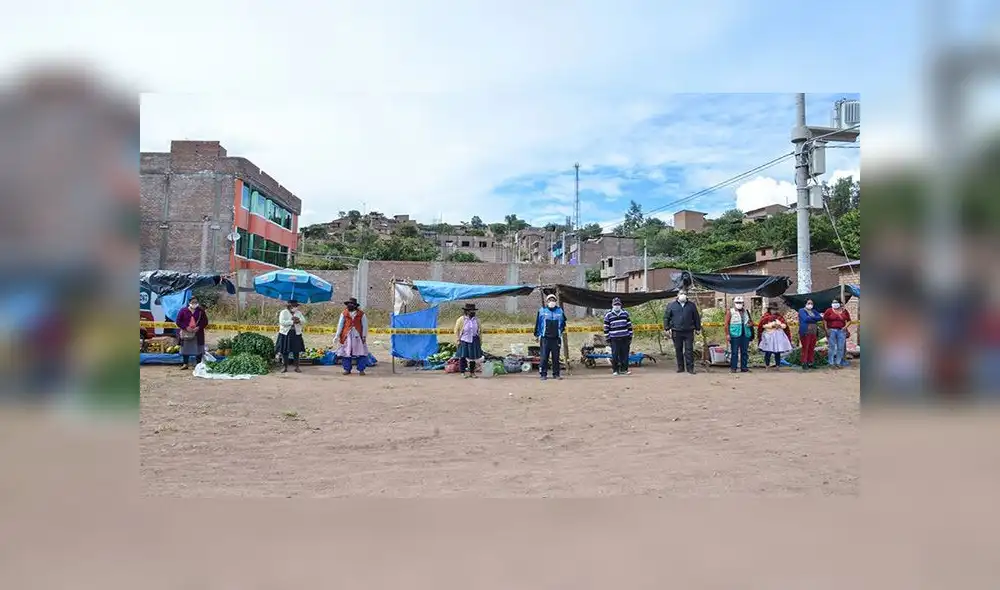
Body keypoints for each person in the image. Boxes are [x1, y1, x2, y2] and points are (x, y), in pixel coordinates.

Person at [663, 290, 701, 374]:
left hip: (689, 331)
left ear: (687, 295)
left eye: (684, 294)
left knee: (689, 350)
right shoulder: (671, 305)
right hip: (676, 331)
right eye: (681, 293)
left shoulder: (691, 305)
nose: (683, 295)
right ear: (677, 295)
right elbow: (666, 317)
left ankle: (690, 368)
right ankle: (680, 367)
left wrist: (698, 328)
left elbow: (696, 317)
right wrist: (666, 328)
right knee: (678, 350)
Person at [534, 293, 567, 380]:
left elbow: (563, 323)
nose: (551, 301)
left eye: (553, 300)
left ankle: (556, 374)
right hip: (545, 338)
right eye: (550, 300)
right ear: (547, 301)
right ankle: (543, 374)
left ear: (556, 301)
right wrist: (537, 335)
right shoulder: (542, 311)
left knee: (556, 357)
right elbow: (538, 323)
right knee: (544, 357)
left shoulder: (560, 311)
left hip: (556, 339)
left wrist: (560, 331)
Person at [334, 297, 369, 376]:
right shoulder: (344, 313)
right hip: (346, 336)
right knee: (346, 352)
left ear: (355, 305)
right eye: (349, 304)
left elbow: (365, 326)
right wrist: (337, 335)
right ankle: (347, 369)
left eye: (352, 304)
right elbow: (340, 325)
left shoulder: (361, 314)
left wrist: (364, 336)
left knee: (361, 352)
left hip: (358, 336)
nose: (350, 305)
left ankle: (361, 369)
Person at [174, 295, 208, 370]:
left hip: (198, 333)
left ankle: (198, 364)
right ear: (189, 302)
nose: (194, 303)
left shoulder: (201, 311)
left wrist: (198, 327)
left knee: (198, 348)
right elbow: (178, 321)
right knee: (185, 348)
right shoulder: (183, 310)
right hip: (186, 333)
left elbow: (205, 322)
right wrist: (186, 327)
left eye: (196, 302)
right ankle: (185, 364)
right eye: (193, 302)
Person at [603, 297, 633, 376]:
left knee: (625, 355)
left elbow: (629, 326)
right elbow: (606, 328)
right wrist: (607, 338)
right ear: (612, 305)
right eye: (615, 304)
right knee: (615, 355)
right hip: (614, 338)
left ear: (621, 305)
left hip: (625, 337)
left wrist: (630, 336)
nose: (617, 306)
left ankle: (624, 370)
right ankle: (615, 370)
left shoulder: (625, 313)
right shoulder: (608, 315)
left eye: (618, 304)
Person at [757, 303, 793, 370]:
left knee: (777, 351)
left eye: (775, 309)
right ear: (770, 309)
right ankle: (767, 365)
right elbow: (762, 325)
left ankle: (777, 366)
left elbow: (785, 325)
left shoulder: (780, 317)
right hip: (768, 336)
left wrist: (780, 326)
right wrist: (772, 326)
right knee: (768, 351)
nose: (774, 311)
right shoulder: (765, 317)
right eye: (773, 309)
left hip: (778, 337)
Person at [724, 296, 754, 373]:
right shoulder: (730, 312)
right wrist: (727, 334)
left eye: (740, 302)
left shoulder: (746, 312)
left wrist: (750, 324)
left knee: (744, 352)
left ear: (743, 303)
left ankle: (744, 367)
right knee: (734, 352)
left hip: (745, 334)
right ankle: (733, 368)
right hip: (734, 334)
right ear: (734, 303)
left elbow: (751, 322)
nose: (739, 304)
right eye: (737, 302)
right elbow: (726, 324)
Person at [276, 299, 306, 373]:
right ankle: (285, 367)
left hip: (296, 334)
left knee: (296, 351)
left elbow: (304, 321)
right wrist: (292, 322)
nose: (296, 307)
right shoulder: (284, 312)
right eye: (294, 306)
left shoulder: (298, 313)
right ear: (290, 306)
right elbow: (282, 322)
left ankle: (297, 367)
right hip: (285, 334)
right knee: (285, 351)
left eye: (296, 306)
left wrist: (299, 320)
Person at [454, 303, 483, 378]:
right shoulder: (461, 319)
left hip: (474, 340)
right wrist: (458, 339)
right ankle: (462, 372)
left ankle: (472, 373)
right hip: (464, 340)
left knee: (473, 357)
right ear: (466, 311)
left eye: (474, 311)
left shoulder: (477, 320)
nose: (473, 312)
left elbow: (480, 331)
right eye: (471, 311)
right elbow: (456, 330)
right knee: (462, 356)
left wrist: (480, 340)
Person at [823, 298, 853, 369]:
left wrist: (845, 327)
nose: (834, 304)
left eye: (836, 302)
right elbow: (824, 320)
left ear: (840, 304)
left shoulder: (844, 311)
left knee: (840, 347)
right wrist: (826, 329)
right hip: (831, 330)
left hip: (841, 331)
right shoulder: (829, 310)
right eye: (833, 302)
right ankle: (831, 363)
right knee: (832, 347)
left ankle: (838, 362)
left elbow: (849, 321)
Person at [798, 299, 824, 369]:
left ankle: (810, 362)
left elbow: (820, 318)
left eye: (811, 303)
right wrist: (815, 318)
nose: (810, 305)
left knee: (812, 348)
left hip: (813, 332)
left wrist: (811, 317)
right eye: (809, 303)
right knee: (805, 348)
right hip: (805, 332)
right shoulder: (801, 310)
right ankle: (804, 363)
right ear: (805, 304)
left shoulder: (814, 311)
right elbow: (806, 319)